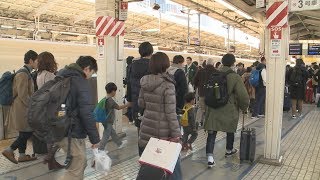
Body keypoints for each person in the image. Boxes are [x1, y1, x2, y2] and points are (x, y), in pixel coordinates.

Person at [138, 52, 182, 179]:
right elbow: (170, 113)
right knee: (171, 169)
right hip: (162, 136)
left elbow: (141, 103)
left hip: (146, 131)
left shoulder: (145, 81)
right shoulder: (168, 85)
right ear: (166, 65)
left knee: (149, 169)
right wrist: (176, 135)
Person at [56, 56, 100, 179]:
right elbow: (86, 112)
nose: (91, 76)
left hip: (60, 127)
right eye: (92, 73)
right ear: (86, 69)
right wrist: (95, 140)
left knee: (80, 162)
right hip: (71, 131)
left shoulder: (62, 76)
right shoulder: (80, 82)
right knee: (77, 166)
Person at [204, 54, 249, 168]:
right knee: (230, 129)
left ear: (222, 62)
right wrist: (245, 107)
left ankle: (210, 158)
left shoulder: (214, 73)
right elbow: (243, 96)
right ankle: (229, 150)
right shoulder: (235, 76)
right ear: (233, 63)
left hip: (213, 107)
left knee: (212, 132)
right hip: (229, 108)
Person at [2, 50, 39, 164]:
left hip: (21, 108)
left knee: (23, 132)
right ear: (31, 61)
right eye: (37, 61)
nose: (38, 63)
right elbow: (23, 95)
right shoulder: (23, 74)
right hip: (22, 109)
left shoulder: (26, 73)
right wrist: (32, 107)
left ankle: (22, 155)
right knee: (28, 131)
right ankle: (9, 150)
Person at [36, 51, 63, 170]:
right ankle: (50, 157)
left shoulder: (39, 74)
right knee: (61, 134)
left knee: (50, 136)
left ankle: (52, 162)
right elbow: (56, 93)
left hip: (42, 108)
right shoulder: (50, 76)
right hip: (52, 108)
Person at [129, 42, 153, 154]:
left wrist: (130, 100)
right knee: (152, 133)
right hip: (150, 104)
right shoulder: (153, 66)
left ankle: (142, 157)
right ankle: (150, 160)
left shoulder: (132, 65)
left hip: (137, 104)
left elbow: (129, 85)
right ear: (151, 52)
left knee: (140, 132)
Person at [99, 82, 130, 151]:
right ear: (113, 91)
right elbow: (118, 107)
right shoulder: (110, 100)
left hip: (105, 120)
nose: (115, 93)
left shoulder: (105, 98)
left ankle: (119, 143)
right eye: (115, 91)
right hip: (108, 121)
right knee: (106, 136)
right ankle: (100, 150)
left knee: (112, 133)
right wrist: (128, 104)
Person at [193, 58, 216, 126]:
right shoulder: (216, 72)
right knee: (209, 109)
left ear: (206, 63)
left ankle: (197, 122)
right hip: (211, 94)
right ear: (213, 64)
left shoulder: (201, 71)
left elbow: (195, 81)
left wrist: (199, 87)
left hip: (202, 93)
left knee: (201, 107)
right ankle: (206, 123)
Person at [124, 56, 134, 124]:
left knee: (129, 101)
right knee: (133, 102)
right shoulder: (133, 68)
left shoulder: (127, 67)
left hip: (129, 87)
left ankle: (129, 117)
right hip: (132, 87)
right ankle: (131, 117)